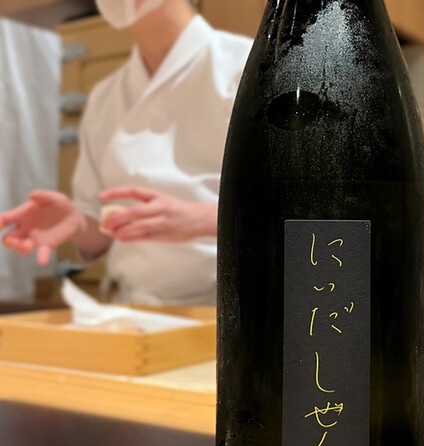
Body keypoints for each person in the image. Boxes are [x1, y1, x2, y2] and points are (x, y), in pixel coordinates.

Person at [0, 0, 252, 305]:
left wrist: (202, 219)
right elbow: (102, 233)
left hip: (234, 309)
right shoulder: (105, 97)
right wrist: (76, 222)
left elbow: (295, 210)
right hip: (134, 309)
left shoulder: (246, 68)